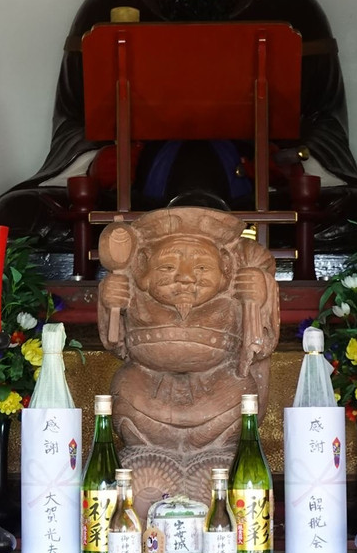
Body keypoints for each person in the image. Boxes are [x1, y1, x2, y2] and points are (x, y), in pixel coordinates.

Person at [0, 0, 357, 263]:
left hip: (259, 188)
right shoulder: (106, 6)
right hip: (136, 189)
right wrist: (99, 162)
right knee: (13, 216)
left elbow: (324, 119)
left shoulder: (291, 7)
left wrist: (292, 162)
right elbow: (74, 119)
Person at [97, 206, 279, 509]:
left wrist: (260, 295)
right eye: (167, 267)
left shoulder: (234, 293)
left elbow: (258, 346)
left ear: (225, 270)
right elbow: (117, 344)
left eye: (202, 268)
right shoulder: (131, 290)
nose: (184, 278)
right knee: (127, 390)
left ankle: (219, 458)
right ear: (143, 269)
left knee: (240, 400)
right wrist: (110, 303)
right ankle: (148, 459)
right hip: (146, 400)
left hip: (218, 400)